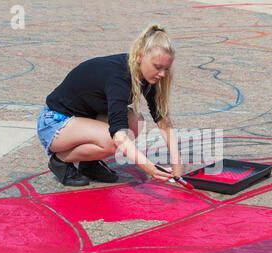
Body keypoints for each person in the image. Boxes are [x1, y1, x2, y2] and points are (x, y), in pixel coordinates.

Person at [37, 24, 184, 186]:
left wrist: (178, 169)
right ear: (140, 56)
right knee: (113, 141)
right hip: (54, 123)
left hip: (81, 121)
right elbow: (119, 135)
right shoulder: (119, 77)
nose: (162, 74)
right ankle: (60, 160)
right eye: (158, 67)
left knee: (135, 120)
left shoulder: (146, 73)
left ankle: (89, 163)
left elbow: (161, 120)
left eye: (166, 69)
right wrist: (149, 167)